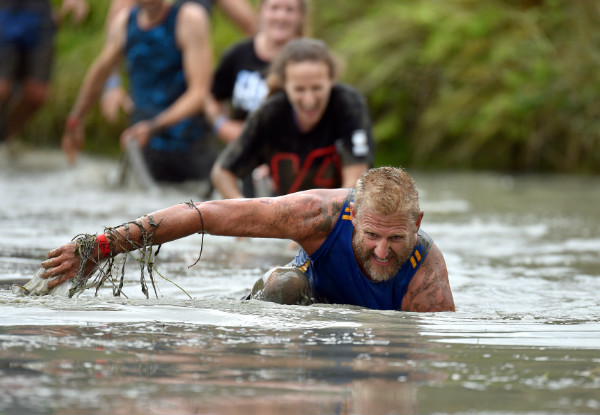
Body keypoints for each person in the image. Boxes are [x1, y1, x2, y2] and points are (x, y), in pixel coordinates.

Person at [39, 166, 456, 312]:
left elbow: (426, 351)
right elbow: (203, 215)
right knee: (284, 284)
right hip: (305, 300)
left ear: (417, 223)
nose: (382, 251)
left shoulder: (428, 273)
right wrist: (102, 246)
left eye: (396, 238)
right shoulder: (317, 214)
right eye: (370, 236)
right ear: (352, 216)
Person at [61, 0, 217, 187]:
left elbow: (199, 93)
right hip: (143, 144)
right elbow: (100, 72)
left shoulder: (189, 19)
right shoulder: (125, 23)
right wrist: (75, 119)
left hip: (190, 144)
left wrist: (153, 127)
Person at [210, 38, 375, 199]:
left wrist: (338, 220)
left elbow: (355, 181)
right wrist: (245, 212)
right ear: (285, 85)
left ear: (332, 79)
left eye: (317, 88)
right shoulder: (270, 114)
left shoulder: (348, 105)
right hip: (284, 216)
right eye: (299, 90)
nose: (309, 100)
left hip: (338, 216)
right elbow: (222, 172)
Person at [206, 0, 307, 197]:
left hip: (290, 159)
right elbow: (212, 97)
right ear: (261, 11)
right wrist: (222, 125)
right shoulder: (238, 54)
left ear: (301, 16)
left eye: (289, 10)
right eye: (275, 8)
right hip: (243, 154)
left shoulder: (308, 59)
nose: (281, 16)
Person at [100, 0, 257, 124]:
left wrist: (233, 85)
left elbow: (253, 26)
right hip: (151, 95)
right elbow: (116, 29)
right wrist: (113, 84)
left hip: (193, 93)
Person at [0, 0, 88, 144]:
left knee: (37, 93)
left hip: (39, 17)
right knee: (2, 88)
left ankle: (6, 140)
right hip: (5, 14)